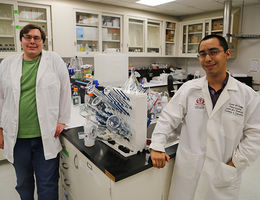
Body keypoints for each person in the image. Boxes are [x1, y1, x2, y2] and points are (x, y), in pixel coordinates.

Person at [149, 34, 260, 200]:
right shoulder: (189, 89)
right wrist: (157, 145)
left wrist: (235, 163)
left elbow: (255, 135)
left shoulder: (247, 96)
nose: (207, 58)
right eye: (202, 54)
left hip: (223, 173)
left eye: (213, 52)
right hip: (188, 170)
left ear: (227, 54)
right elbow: (167, 118)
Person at [0, 24, 71, 200]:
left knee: (47, 184)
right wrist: (0, 128)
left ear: (43, 42)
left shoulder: (54, 60)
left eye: (36, 38)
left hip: (45, 135)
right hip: (17, 138)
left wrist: (62, 120)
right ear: (21, 41)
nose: (32, 41)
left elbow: (65, 90)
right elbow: (1, 97)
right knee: (23, 183)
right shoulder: (7, 64)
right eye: (27, 37)